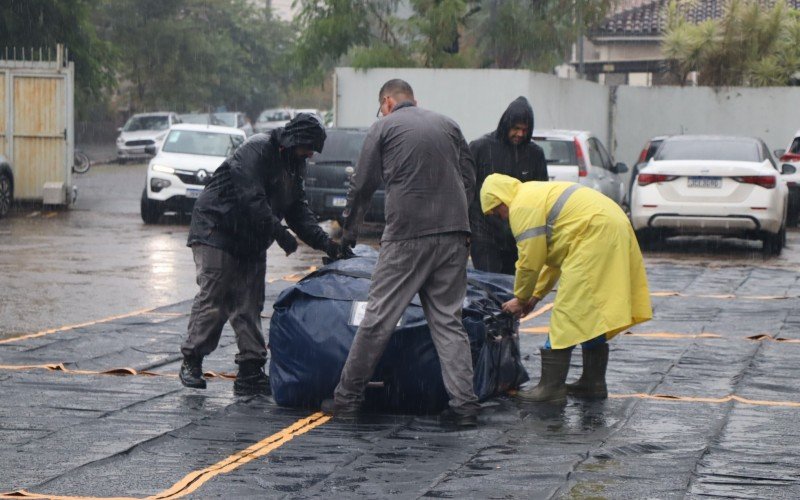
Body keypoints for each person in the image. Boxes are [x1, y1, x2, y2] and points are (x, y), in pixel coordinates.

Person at [321, 79, 481, 427]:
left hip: (407, 236)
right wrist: (456, 217)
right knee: (448, 321)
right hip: (454, 235)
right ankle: (464, 405)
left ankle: (347, 398)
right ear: (414, 100)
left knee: (378, 318)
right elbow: (469, 175)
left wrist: (348, 234)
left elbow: (362, 184)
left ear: (388, 102)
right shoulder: (448, 124)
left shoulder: (384, 127)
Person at [179, 113, 352, 396]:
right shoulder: (256, 149)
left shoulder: (295, 165)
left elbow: (298, 211)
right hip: (217, 228)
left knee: (249, 303)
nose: (310, 154)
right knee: (216, 295)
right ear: (295, 138)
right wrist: (279, 233)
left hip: (252, 237)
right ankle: (192, 359)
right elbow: (251, 197)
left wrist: (328, 244)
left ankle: (250, 370)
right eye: (309, 147)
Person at [480, 174, 652, 403]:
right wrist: (536, 295)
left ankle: (551, 389)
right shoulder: (533, 194)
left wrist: (520, 298)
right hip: (610, 226)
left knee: (568, 312)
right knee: (591, 311)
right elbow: (552, 260)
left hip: (595, 234)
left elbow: (530, 261)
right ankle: (593, 383)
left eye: (496, 212)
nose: (500, 218)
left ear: (499, 200)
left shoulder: (522, 207)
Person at [469, 96, 548, 274]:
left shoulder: (534, 154)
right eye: (516, 128)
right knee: (489, 285)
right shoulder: (481, 148)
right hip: (484, 234)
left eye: (525, 130)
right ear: (506, 125)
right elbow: (466, 189)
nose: (520, 134)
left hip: (519, 237)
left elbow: (542, 197)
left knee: (514, 290)